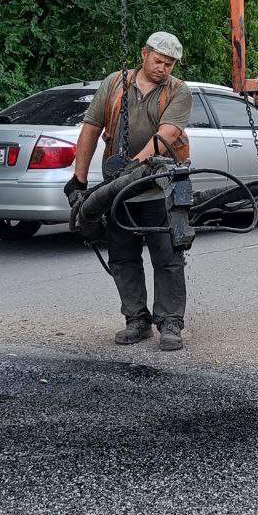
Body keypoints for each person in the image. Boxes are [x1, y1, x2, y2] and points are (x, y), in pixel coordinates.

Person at [64, 31, 194, 351]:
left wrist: (133, 168)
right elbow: (91, 130)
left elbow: (166, 135)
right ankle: (136, 319)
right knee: (123, 257)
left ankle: (170, 323)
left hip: (160, 188)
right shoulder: (114, 84)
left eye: (170, 64)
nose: (163, 68)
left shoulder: (178, 91)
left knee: (167, 257)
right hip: (117, 194)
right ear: (144, 54)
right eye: (159, 60)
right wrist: (78, 181)